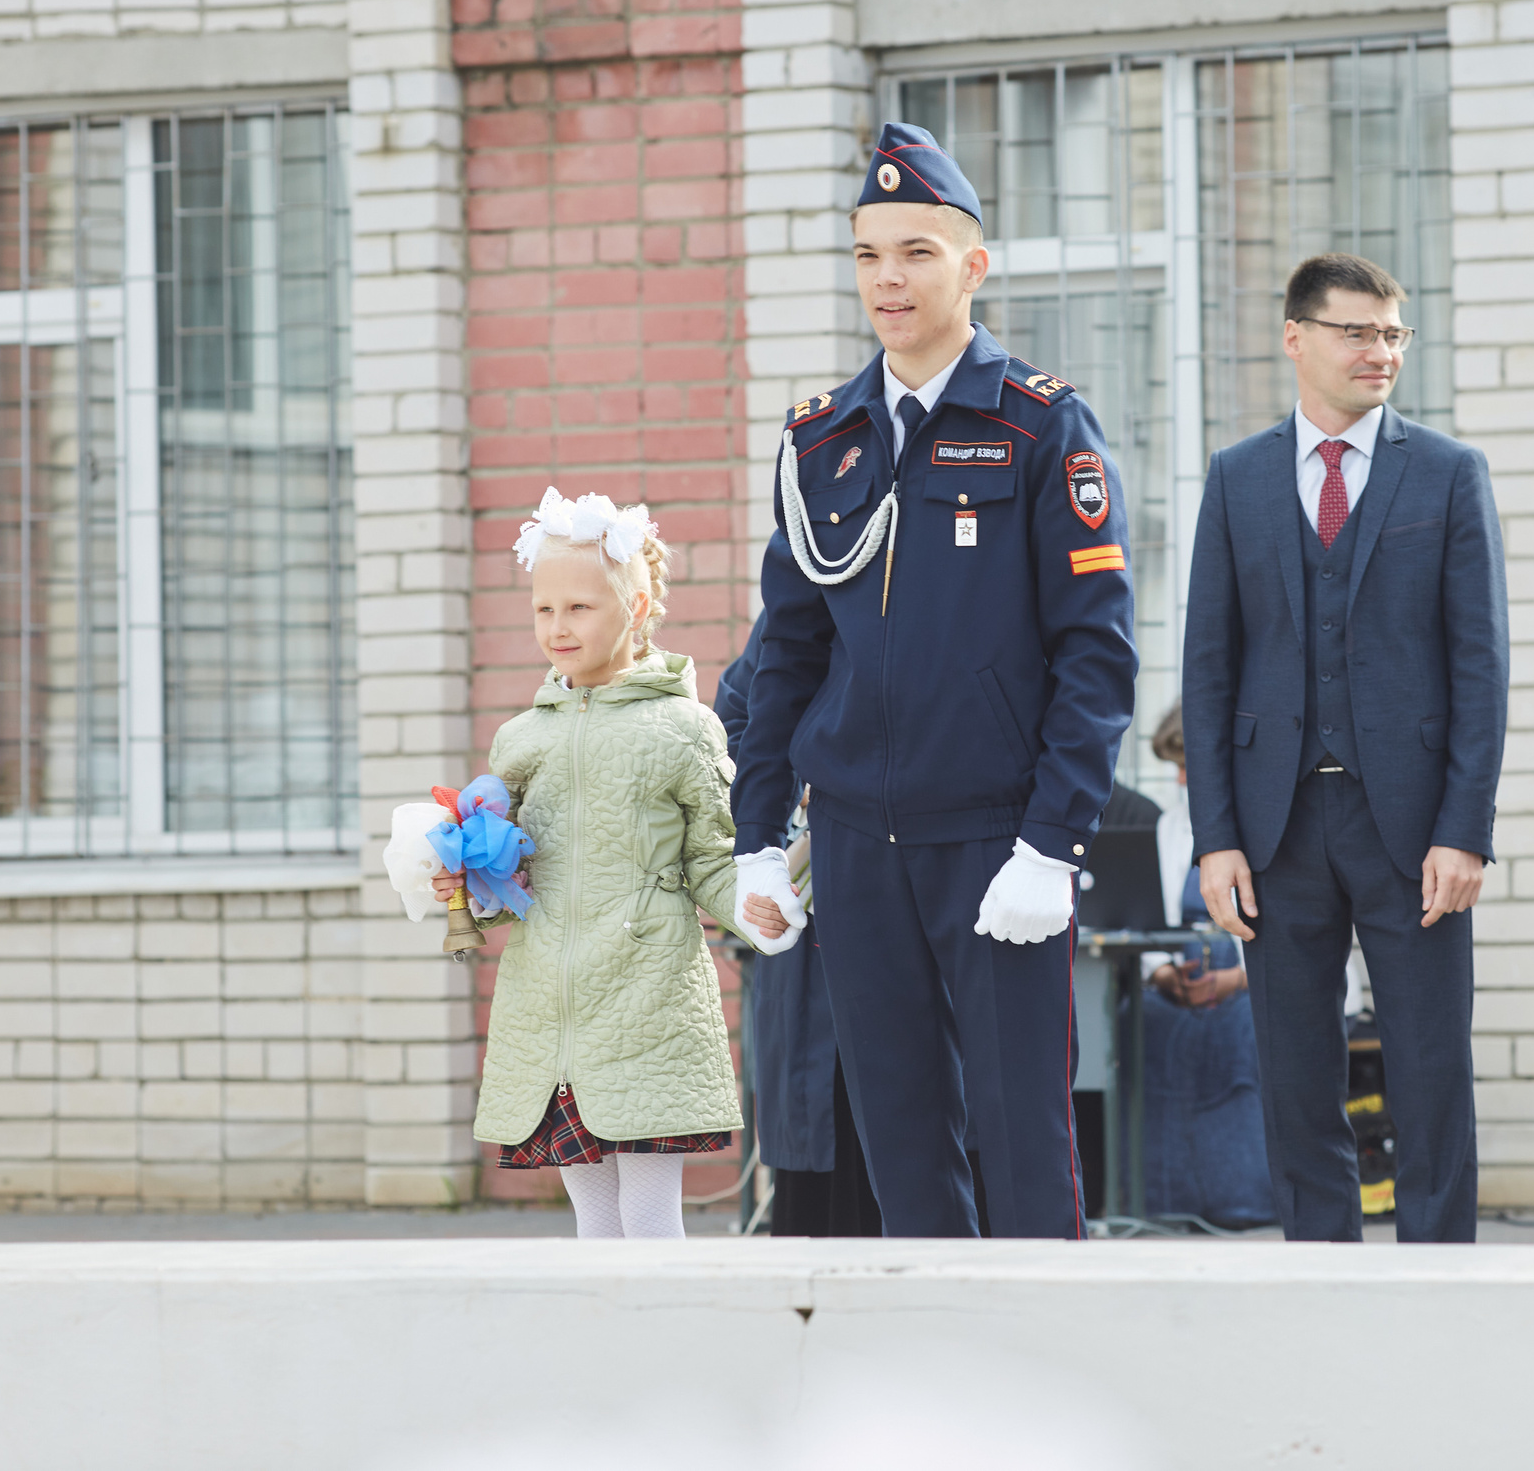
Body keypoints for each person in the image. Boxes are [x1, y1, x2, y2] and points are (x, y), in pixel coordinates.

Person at [729, 123, 1139, 1240]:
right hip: (859, 844)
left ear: (972, 265)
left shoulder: (1042, 426)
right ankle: (937, 1384)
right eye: (867, 256)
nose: (887, 280)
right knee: (898, 1138)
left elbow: (1095, 655)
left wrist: (1053, 842)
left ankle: (1043, 1375)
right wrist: (757, 837)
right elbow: (787, 651)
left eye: (914, 252)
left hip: (996, 841)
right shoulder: (822, 441)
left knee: (1021, 1141)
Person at [1181, 252, 1508, 1243]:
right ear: (1296, 338)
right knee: (1292, 1070)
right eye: (1356, 331)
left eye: (1393, 334)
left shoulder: (1448, 474)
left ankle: (1439, 1275)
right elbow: (1208, 666)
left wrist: (1465, 830)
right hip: (1277, 828)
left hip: (1410, 826)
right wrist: (1216, 838)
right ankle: (1318, 1268)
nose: (1380, 351)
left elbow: (1479, 666)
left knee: (1429, 1068)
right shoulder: (1238, 479)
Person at [437, 488, 796, 1240]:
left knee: (648, 1209)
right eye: (544, 609)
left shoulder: (685, 729)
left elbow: (713, 858)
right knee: (593, 1216)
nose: (558, 627)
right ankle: (608, 1345)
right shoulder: (520, 740)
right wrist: (468, 883)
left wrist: (754, 905)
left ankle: (669, 1341)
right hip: (552, 1009)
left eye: (579, 608)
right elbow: (514, 883)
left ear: (635, 608)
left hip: (647, 1000)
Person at [715, 607, 882, 1238]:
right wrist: (790, 795)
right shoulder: (812, 591)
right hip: (814, 927)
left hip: (917, 891)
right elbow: (731, 731)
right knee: (825, 1151)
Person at [1138, 706, 1275, 1230]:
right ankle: (1164, 1198)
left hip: (1248, 981)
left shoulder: (1265, 818)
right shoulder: (1169, 827)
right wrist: (1162, 975)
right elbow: (1151, 916)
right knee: (1143, 1025)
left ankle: (1246, 1199)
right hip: (1182, 982)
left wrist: (1237, 977)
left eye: (1185, 766)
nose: (1177, 780)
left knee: (1243, 1033)